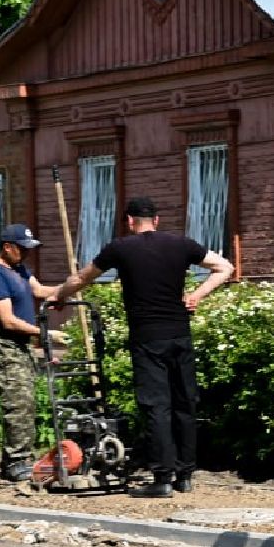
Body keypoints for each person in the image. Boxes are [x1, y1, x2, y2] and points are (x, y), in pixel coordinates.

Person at [52, 197, 233, 498]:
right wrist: (196, 295)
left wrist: (59, 296)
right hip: (180, 335)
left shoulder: (120, 249)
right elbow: (224, 267)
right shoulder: (181, 244)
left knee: (156, 406)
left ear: (129, 221)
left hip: (147, 338)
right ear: (157, 220)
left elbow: (83, 277)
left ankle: (162, 477)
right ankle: (185, 474)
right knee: (184, 402)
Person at [0, 223, 64, 483]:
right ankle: (17, 461)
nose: (27, 255)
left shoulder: (18, 270)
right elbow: (8, 320)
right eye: (22, 250)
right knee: (18, 403)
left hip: (22, 346)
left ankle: (18, 459)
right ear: (7, 247)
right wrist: (45, 334)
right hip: (6, 345)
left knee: (28, 402)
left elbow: (40, 292)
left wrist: (74, 285)